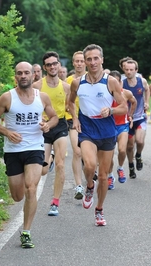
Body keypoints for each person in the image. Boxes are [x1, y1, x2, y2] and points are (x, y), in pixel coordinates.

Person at [0, 61, 58, 248]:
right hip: (13, 151)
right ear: (15, 77)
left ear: (33, 75)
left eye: (27, 72)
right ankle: (24, 221)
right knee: (18, 196)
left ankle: (26, 231)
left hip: (35, 147)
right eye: (20, 73)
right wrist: (7, 132)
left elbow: (54, 117)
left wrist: (48, 125)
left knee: (31, 188)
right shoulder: (7, 98)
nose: (24, 76)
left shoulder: (41, 97)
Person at [68, 44, 127, 226]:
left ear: (102, 59)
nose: (93, 62)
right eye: (89, 59)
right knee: (90, 165)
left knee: (103, 176)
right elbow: (70, 103)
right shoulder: (78, 83)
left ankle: (99, 209)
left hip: (107, 130)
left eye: (96, 58)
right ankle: (89, 186)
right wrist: (75, 119)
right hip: (87, 127)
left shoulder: (111, 82)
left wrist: (110, 110)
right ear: (84, 62)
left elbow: (124, 107)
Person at [33, 51, 70, 216]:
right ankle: (50, 160)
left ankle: (55, 202)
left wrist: (76, 120)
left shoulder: (66, 87)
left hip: (60, 125)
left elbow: (71, 107)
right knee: (43, 170)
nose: (53, 67)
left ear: (59, 65)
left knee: (61, 164)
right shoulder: (38, 86)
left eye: (55, 63)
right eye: (49, 64)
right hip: (43, 127)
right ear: (44, 67)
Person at [108, 70, 137, 187]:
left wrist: (130, 115)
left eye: (117, 82)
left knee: (122, 150)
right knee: (109, 155)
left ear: (121, 83)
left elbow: (134, 102)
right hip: (109, 126)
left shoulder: (126, 93)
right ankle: (109, 175)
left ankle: (120, 168)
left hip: (122, 125)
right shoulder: (106, 94)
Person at [122, 59, 150, 179]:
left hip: (140, 117)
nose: (129, 72)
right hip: (127, 118)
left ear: (136, 70)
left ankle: (138, 155)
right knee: (129, 146)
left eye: (131, 70)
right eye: (126, 69)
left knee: (139, 141)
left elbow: (147, 90)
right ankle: (131, 165)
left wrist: (147, 102)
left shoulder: (142, 81)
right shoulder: (122, 84)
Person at [65, 51, 86, 200]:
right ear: (73, 63)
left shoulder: (91, 79)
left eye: (81, 61)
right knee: (77, 151)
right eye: (76, 61)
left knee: (89, 152)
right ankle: (78, 185)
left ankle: (91, 169)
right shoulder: (68, 81)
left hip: (90, 119)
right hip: (72, 118)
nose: (79, 63)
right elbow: (66, 102)